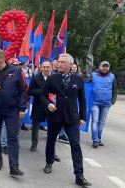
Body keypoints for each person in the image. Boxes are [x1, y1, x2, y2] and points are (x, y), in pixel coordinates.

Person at [42, 53, 91, 187]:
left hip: (72, 117)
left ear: (70, 64)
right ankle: (49, 162)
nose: (59, 64)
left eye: (63, 62)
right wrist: (48, 103)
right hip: (55, 115)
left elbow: (82, 99)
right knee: (51, 140)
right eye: (59, 62)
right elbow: (42, 95)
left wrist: (82, 117)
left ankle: (79, 175)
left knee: (75, 145)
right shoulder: (52, 78)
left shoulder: (78, 79)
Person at [90, 61, 117, 148]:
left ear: (108, 68)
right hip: (94, 102)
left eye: (107, 66)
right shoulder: (93, 75)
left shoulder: (112, 76)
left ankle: (98, 138)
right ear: (99, 66)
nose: (105, 68)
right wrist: (84, 76)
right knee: (95, 120)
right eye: (103, 66)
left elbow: (114, 90)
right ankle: (95, 139)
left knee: (101, 122)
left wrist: (112, 101)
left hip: (106, 103)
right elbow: (86, 83)